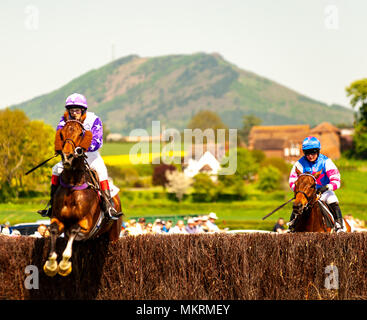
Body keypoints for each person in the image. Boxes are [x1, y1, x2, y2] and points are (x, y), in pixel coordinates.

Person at [37, 93, 122, 221]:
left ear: (83, 110)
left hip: (90, 155)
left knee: (102, 172)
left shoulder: (94, 119)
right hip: (71, 156)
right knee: (55, 169)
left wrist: (82, 148)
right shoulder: (64, 120)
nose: (74, 113)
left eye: (77, 110)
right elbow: (59, 136)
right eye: (71, 110)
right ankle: (52, 204)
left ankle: (108, 206)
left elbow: (98, 140)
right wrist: (61, 149)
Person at [288, 136, 344, 233]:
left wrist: (326, 187)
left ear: (318, 151)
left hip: (324, 192)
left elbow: (336, 180)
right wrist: (300, 192)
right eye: (307, 153)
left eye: (313, 152)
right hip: (307, 193)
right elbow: (292, 181)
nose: (310, 155)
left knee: (332, 199)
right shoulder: (299, 164)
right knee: (298, 202)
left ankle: (339, 225)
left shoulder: (326, 162)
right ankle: (291, 225)